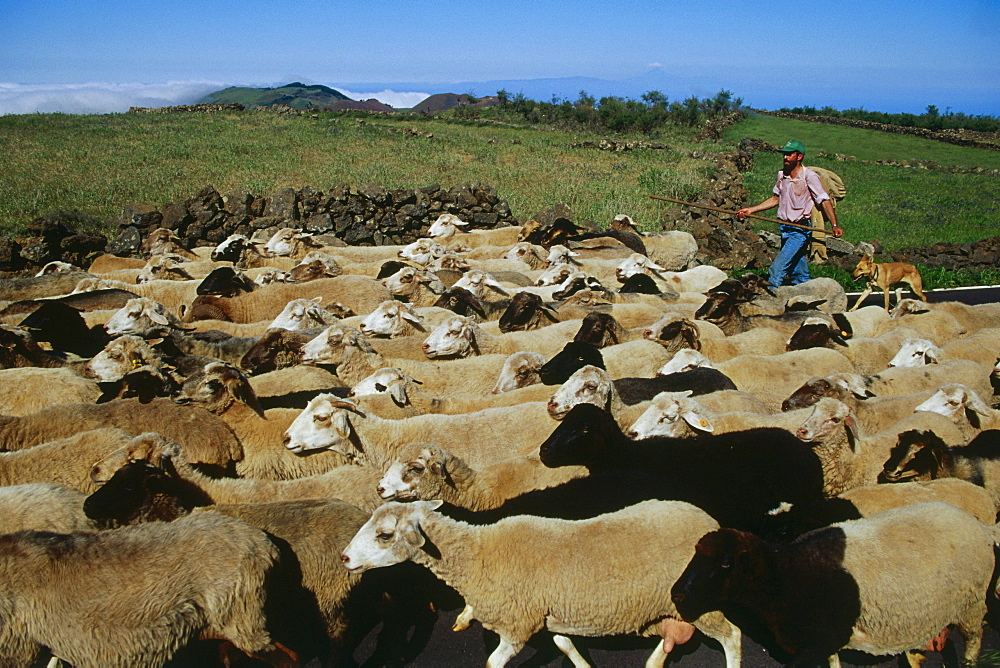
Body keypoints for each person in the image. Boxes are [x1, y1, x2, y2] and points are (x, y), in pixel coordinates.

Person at [737, 140, 843, 286]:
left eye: (789, 154)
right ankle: (810, 297)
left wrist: (835, 224)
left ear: (799, 157)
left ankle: (770, 301)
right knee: (798, 274)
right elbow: (776, 198)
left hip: (800, 230)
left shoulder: (809, 176)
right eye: (784, 154)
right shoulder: (782, 175)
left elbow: (824, 200)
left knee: (777, 269)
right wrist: (751, 210)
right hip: (785, 229)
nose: (785, 157)